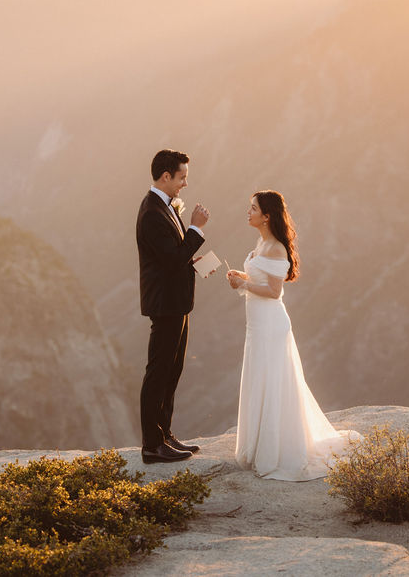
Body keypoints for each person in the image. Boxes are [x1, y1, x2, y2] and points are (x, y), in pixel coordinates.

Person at [226, 190, 358, 480]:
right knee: (260, 376)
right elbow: (261, 281)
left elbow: (274, 292)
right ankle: (261, 444)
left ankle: (274, 449)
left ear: (267, 215)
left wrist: (244, 285)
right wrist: (242, 278)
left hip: (271, 324)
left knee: (272, 378)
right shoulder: (262, 243)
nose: (248, 212)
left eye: (253, 208)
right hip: (257, 324)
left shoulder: (275, 248)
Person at [136, 149, 210, 464]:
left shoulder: (163, 207)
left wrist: (192, 261)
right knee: (158, 372)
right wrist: (195, 228)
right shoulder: (152, 212)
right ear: (166, 176)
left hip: (176, 303)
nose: (184, 185)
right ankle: (152, 444)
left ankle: (165, 435)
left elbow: (173, 256)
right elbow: (169, 262)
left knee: (172, 370)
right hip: (165, 305)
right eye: (182, 178)